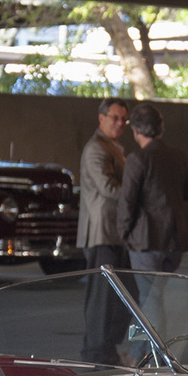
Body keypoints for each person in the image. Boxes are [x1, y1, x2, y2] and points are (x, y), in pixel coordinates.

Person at [119, 101, 188, 273]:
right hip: (175, 240)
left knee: (149, 296)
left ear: (136, 131)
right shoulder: (178, 156)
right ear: (161, 127)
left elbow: (127, 201)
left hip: (146, 240)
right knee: (157, 294)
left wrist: (123, 234)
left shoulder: (137, 159)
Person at [77, 97, 130, 270]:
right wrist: (137, 195)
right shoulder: (97, 148)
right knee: (103, 293)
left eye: (123, 119)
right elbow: (108, 188)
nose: (120, 123)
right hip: (102, 234)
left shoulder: (112, 147)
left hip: (111, 233)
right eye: (115, 117)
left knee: (112, 293)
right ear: (101, 118)